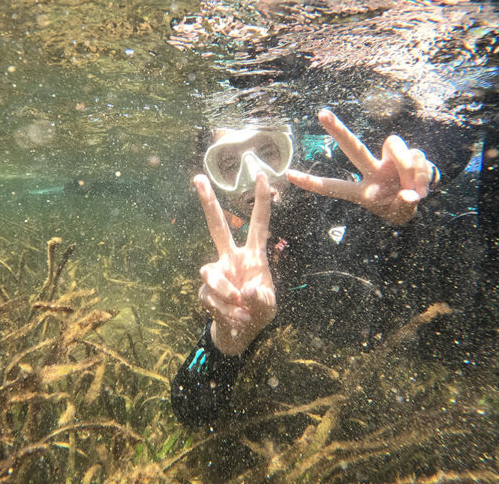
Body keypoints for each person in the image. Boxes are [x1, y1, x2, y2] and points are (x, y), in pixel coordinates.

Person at [171, 108, 481, 427]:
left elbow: (466, 125)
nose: (254, 175)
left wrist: (418, 178)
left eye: (267, 152)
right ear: (218, 183)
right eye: (230, 165)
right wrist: (229, 339)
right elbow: (190, 408)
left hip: (469, 322)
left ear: (293, 150)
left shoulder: (355, 183)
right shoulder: (243, 269)